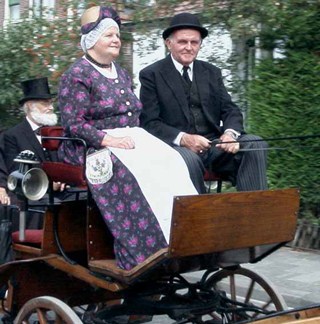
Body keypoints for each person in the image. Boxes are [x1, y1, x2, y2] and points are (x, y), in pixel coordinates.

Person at [57, 6, 197, 270]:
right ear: (91, 40)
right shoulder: (76, 75)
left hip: (129, 138)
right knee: (128, 170)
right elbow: (74, 124)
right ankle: (143, 253)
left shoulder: (120, 72)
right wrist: (107, 140)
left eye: (117, 35)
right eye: (109, 35)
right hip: (89, 146)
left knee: (173, 160)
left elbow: (134, 114)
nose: (116, 40)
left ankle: (183, 238)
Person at [139, 13, 268, 194]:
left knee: (255, 143)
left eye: (195, 42)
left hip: (214, 147)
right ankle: (198, 219)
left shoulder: (211, 72)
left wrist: (230, 134)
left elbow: (230, 110)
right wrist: (184, 138)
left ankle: (253, 213)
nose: (189, 47)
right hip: (177, 148)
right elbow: (150, 123)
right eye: (183, 42)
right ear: (169, 43)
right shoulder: (151, 74)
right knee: (188, 160)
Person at [0, 77, 67, 229]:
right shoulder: (12, 135)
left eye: (51, 102)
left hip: (60, 193)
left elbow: (63, 162)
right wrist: (50, 184)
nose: (51, 107)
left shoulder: (57, 132)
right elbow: (16, 172)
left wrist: (63, 179)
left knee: (83, 200)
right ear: (30, 106)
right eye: (45, 103)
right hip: (30, 194)